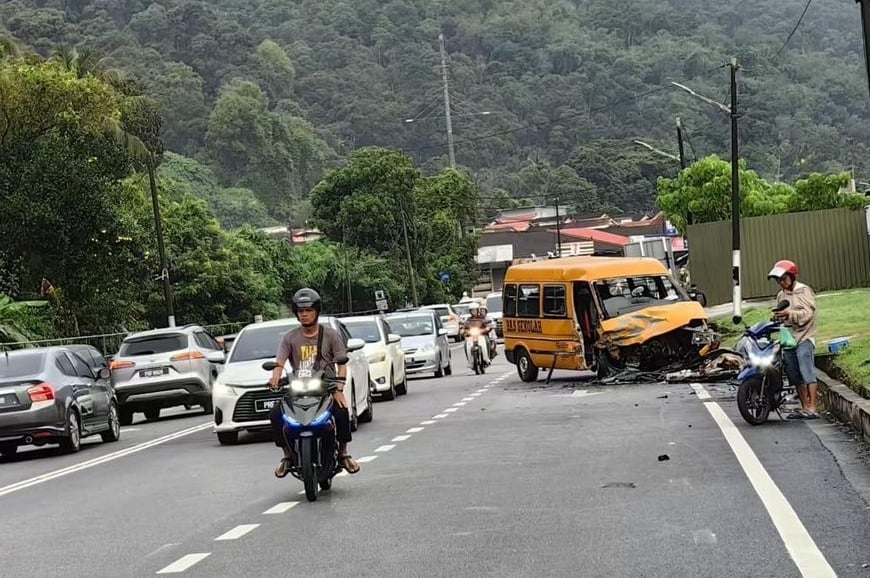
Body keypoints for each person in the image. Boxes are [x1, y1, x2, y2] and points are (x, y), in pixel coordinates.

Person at [268, 288, 361, 478]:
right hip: (298, 388)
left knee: (342, 412)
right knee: (275, 413)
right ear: (296, 313)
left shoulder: (331, 335)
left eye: (308, 310)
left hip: (326, 388)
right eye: (301, 311)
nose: (304, 314)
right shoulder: (290, 338)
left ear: (317, 311)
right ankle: (287, 456)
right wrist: (275, 376)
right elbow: (280, 362)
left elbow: (342, 362)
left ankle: (343, 453)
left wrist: (339, 388)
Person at [767, 259, 819, 420]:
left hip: (804, 337)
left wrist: (790, 314)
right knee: (794, 374)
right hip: (788, 339)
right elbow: (781, 314)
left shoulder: (803, 291)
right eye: (779, 280)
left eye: (784, 279)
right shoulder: (781, 295)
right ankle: (804, 406)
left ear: (791, 276)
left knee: (807, 371)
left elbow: (808, 314)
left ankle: (812, 407)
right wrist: (777, 318)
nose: (781, 283)